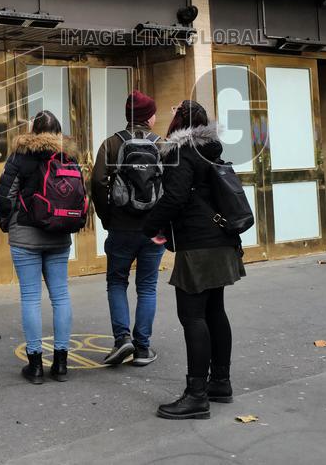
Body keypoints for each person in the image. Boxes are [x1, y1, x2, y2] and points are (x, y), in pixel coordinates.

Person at [141, 100, 245, 420]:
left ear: (181, 123)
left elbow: (174, 196)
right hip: (223, 240)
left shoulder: (182, 152)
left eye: (173, 115)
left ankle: (196, 394)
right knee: (215, 310)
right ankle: (220, 383)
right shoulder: (210, 150)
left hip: (198, 245)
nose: (169, 119)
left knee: (192, 316)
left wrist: (149, 226)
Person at [0, 110, 76, 385]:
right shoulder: (68, 156)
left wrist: (8, 223)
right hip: (59, 235)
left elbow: (4, 195)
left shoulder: (20, 156)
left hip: (25, 236)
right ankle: (62, 364)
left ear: (33, 131)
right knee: (61, 297)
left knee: (30, 298)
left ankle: (36, 365)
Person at [92, 89, 166, 366]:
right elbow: (172, 187)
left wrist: (106, 217)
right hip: (153, 230)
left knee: (116, 282)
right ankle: (143, 348)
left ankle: (122, 339)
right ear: (148, 117)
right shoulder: (162, 145)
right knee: (147, 287)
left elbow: (98, 182)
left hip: (121, 226)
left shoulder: (111, 144)